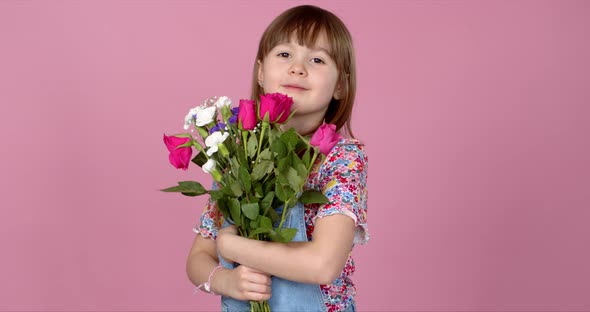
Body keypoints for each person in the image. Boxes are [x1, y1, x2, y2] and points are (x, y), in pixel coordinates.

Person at [186, 5, 368, 312]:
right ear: (260, 72)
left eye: (317, 59)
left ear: (340, 85)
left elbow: (323, 264)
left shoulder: (341, 159)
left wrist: (232, 246)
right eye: (285, 54)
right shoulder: (239, 156)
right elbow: (198, 257)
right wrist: (224, 281)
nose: (297, 68)